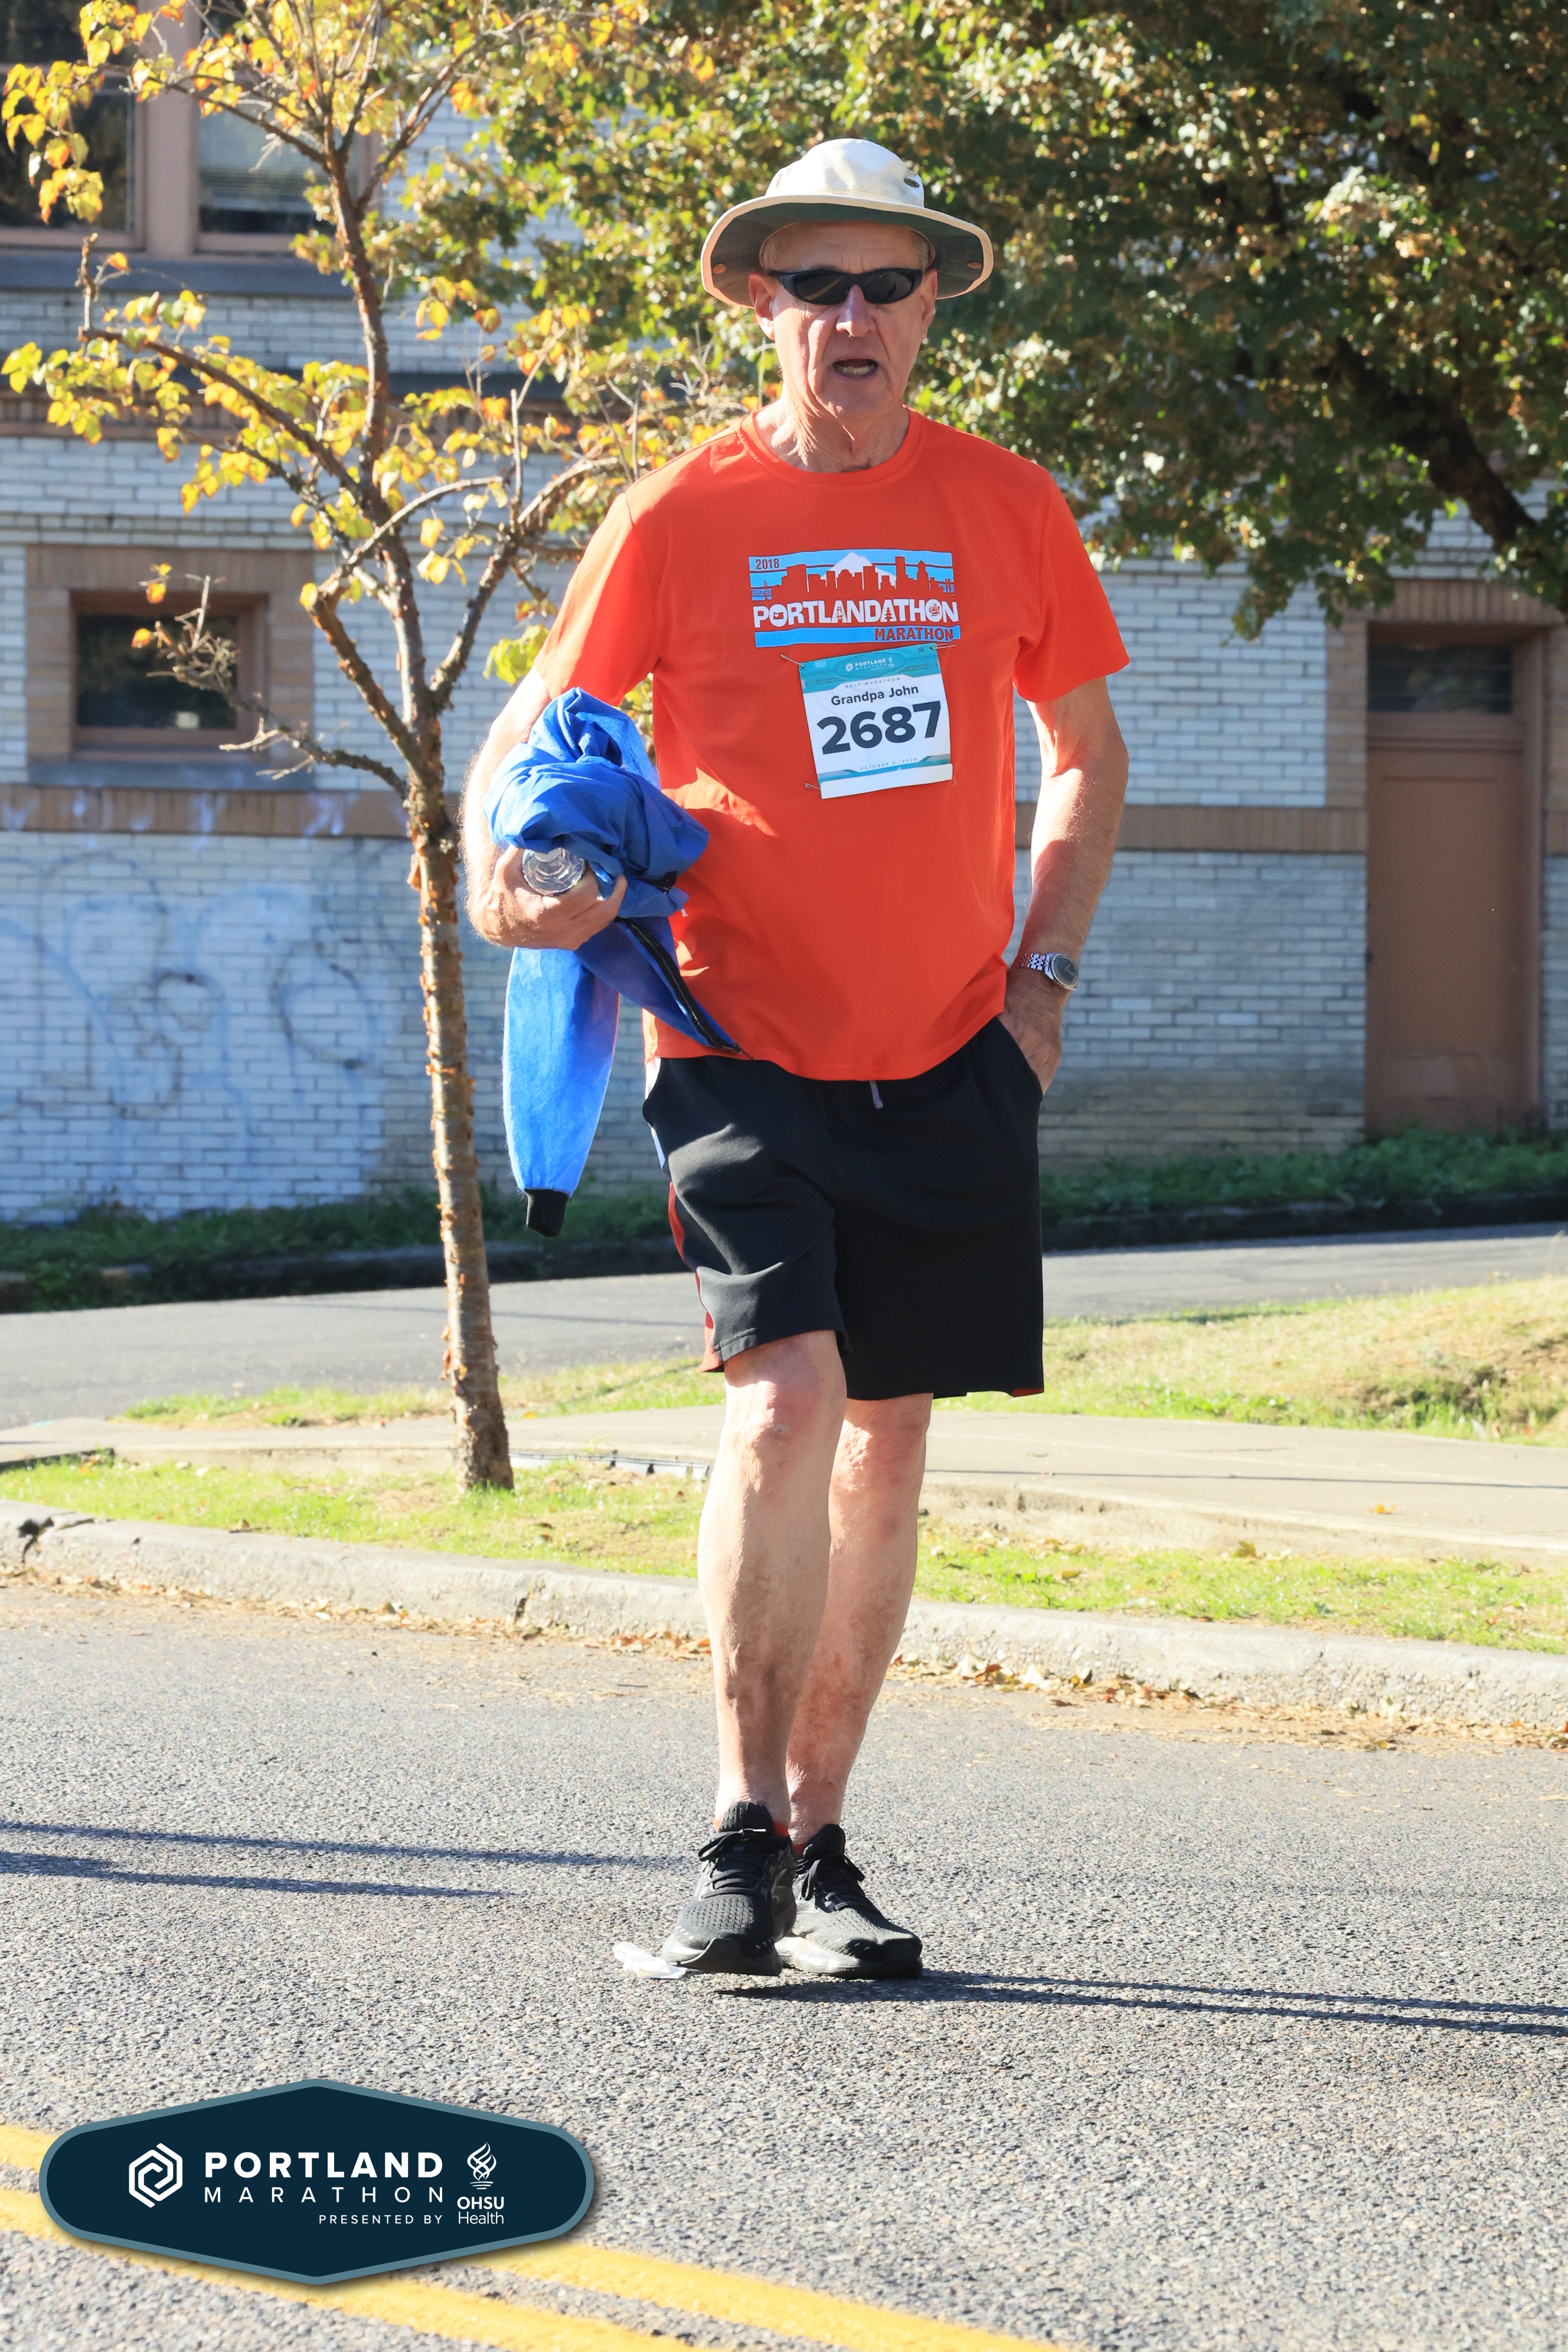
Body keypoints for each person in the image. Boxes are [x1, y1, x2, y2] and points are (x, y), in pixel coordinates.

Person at [463, 138, 1129, 1979]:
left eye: (885, 285)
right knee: (785, 1404)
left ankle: (825, 1848)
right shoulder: (683, 514)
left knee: (889, 1442)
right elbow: (530, 742)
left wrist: (1042, 986)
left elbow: (1086, 752)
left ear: (929, 312)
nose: (853, 315)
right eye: (817, 284)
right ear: (764, 303)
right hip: (734, 1038)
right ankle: (740, 1829)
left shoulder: (1006, 507)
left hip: (956, 1052)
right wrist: (508, 889)